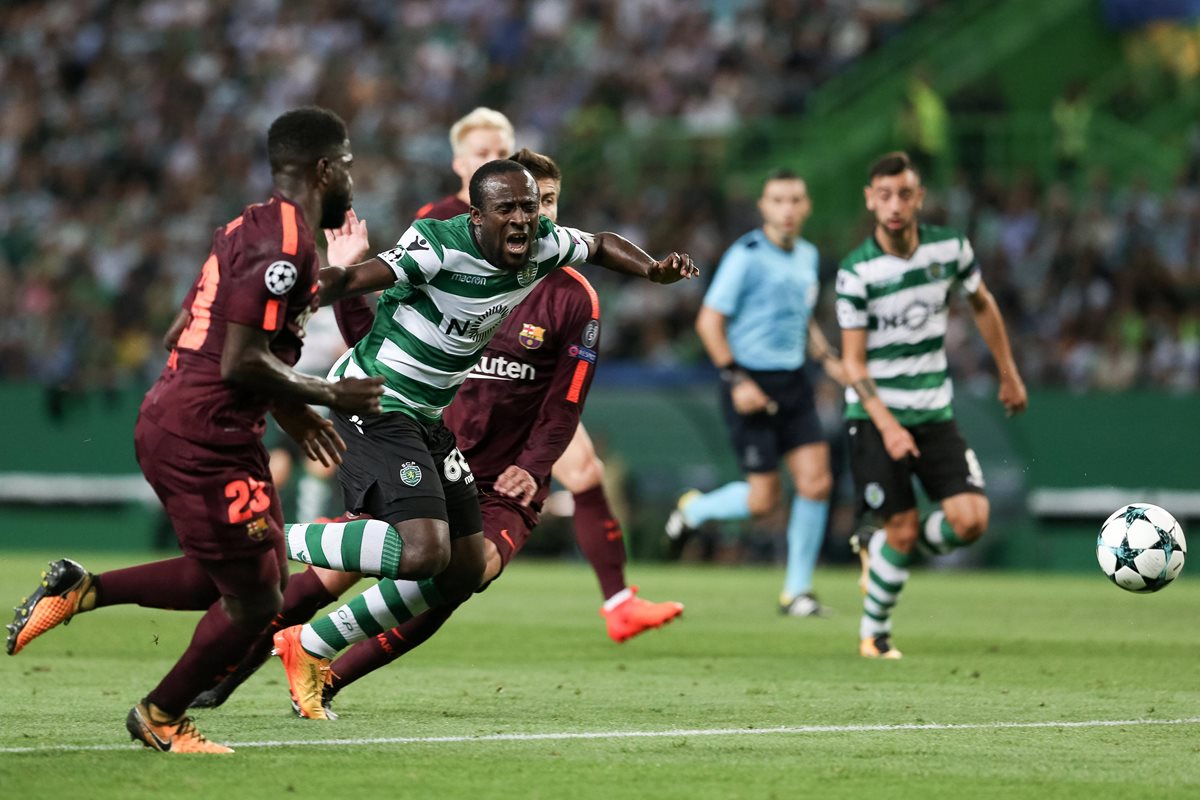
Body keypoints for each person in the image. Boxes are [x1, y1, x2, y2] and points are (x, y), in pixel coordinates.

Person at [187, 150, 684, 715]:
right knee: (395, 560)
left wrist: (652, 270)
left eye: (538, 205)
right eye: (514, 207)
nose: (529, 218)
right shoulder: (439, 245)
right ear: (477, 211)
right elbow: (360, 283)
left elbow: (597, 247)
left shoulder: (558, 269)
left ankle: (312, 649)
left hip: (433, 432)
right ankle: (247, 555)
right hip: (381, 407)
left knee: (460, 572)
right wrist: (299, 292)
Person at [4, 107, 385, 753]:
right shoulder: (283, 244)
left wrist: (291, 412)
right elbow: (238, 358)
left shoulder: (249, 224)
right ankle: (161, 715)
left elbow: (184, 329)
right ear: (325, 169)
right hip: (201, 434)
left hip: (216, 425)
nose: (351, 177)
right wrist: (328, 393)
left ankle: (83, 590)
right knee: (259, 601)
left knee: (252, 573)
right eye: (347, 164)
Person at [416, 130, 683, 641]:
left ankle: (618, 600)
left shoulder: (533, 232)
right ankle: (305, 587)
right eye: (480, 151)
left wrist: (650, 268)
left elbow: (598, 245)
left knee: (581, 466)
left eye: (499, 144)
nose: (492, 155)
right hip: (455, 391)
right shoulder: (442, 227)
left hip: (517, 390)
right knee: (414, 528)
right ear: (460, 165)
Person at [836, 151, 1027, 660]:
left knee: (970, 521)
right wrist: (888, 426)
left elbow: (982, 301)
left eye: (904, 194)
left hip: (934, 411)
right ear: (870, 200)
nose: (894, 205)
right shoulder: (856, 272)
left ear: (919, 197)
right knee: (900, 528)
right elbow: (853, 365)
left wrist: (1008, 372)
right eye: (884, 195)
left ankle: (885, 552)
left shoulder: (950, 249)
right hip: (875, 418)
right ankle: (874, 634)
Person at [665, 169, 843, 617]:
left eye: (795, 200)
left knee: (817, 483)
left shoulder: (808, 255)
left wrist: (825, 357)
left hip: (794, 381)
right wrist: (737, 379)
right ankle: (696, 509)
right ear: (764, 207)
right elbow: (708, 322)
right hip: (748, 382)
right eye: (778, 200)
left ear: (806, 207)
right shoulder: (745, 255)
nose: (787, 209)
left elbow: (801, 317)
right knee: (764, 500)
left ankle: (797, 591)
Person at [414, 106, 513, 221]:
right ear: (459, 164)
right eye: (482, 154)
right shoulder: (435, 222)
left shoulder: (527, 219)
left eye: (503, 154)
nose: (496, 161)